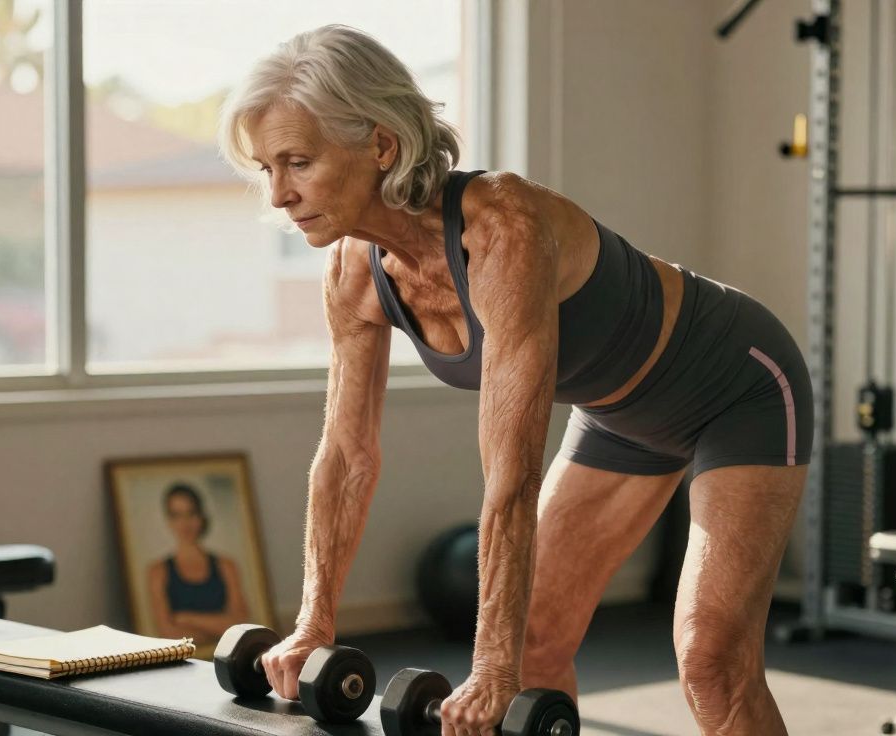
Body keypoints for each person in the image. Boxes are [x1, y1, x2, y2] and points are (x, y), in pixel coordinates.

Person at [216, 24, 813, 735]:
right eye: (266, 169)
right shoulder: (354, 273)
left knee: (711, 661)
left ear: (382, 146)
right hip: (622, 418)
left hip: (736, 386)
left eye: (298, 162)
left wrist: (490, 667)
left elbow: (512, 472)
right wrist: (313, 625)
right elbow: (346, 457)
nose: (279, 194)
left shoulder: (501, 228)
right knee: (535, 643)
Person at [147, 482, 250, 646]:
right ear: (169, 521)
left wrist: (187, 619)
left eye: (191, 513)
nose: (185, 523)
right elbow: (167, 633)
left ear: (201, 516)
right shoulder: (158, 572)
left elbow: (240, 624)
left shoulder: (226, 566)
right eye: (176, 515)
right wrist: (218, 628)